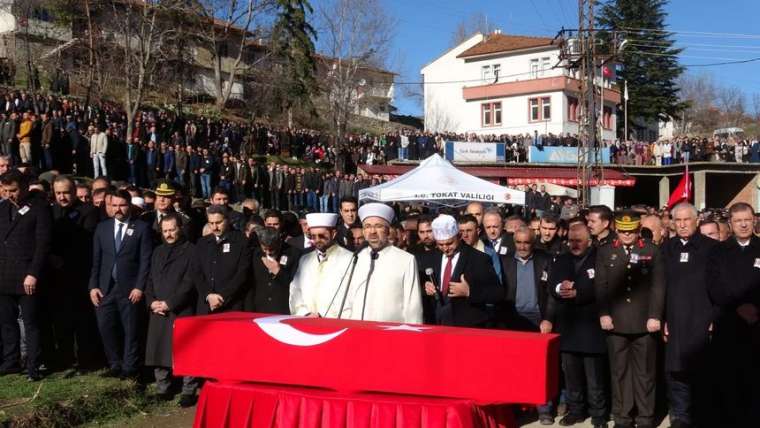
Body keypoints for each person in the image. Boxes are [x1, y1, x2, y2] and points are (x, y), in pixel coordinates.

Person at [595, 211, 665, 428]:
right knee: (619, 373)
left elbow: (658, 286)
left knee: (645, 374)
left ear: (638, 230)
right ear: (616, 229)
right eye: (623, 231)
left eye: (632, 231)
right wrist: (603, 313)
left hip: (645, 322)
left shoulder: (651, 250)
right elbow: (601, 286)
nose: (627, 235)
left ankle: (645, 418)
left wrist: (655, 315)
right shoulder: (606, 251)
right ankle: (623, 417)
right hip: (615, 323)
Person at [542, 224, 608, 428]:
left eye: (579, 240)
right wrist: (559, 287)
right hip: (568, 326)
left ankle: (599, 414)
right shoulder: (561, 259)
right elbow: (551, 284)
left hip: (591, 326)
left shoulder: (600, 258)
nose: (575, 244)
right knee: (571, 375)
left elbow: (605, 287)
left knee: (594, 376)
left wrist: (580, 292)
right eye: (572, 240)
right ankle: (576, 410)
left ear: (589, 240)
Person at [661, 203, 719, 428]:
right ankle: (681, 416)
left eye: (687, 220)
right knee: (676, 371)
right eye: (678, 220)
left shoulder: (713, 248)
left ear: (697, 221)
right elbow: (659, 287)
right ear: (673, 223)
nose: (683, 224)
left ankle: (703, 414)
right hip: (674, 318)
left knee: (702, 370)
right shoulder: (666, 248)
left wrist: (715, 317)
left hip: (703, 318)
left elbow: (719, 287)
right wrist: (662, 317)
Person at [89, 189, 153, 379]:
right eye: (114, 205)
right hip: (105, 288)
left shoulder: (141, 228)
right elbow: (96, 261)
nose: (118, 209)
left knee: (131, 330)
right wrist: (93, 286)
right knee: (106, 327)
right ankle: (114, 364)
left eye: (122, 205)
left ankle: (130, 367)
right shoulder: (102, 228)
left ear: (129, 206)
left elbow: (145, 260)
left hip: (130, 289)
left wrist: (140, 286)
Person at [707, 202, 760, 425]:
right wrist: (738, 306)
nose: (743, 224)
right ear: (730, 223)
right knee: (729, 380)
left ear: (754, 220)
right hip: (728, 323)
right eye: (738, 221)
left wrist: (755, 307)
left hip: (758, 323)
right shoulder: (717, 251)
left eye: (747, 219)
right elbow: (714, 285)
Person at [0, 171, 52, 380]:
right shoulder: (2, 208)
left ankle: (34, 364)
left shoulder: (39, 208)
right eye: (5, 190)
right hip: (3, 274)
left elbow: (43, 244)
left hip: (26, 275)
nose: (9, 194)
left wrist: (33, 273)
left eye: (13, 190)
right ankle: (11, 362)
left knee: (31, 322)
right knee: (6, 322)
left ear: (23, 187)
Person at [144, 213, 198, 408]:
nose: (168, 234)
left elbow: (189, 282)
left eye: (172, 230)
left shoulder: (191, 250)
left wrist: (170, 303)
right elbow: (149, 279)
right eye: (165, 231)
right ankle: (163, 388)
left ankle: (188, 390)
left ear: (180, 228)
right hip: (157, 308)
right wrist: (151, 302)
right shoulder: (157, 251)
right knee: (159, 349)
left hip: (180, 309)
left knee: (185, 350)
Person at [48, 175, 101, 371]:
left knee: (82, 320)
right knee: (61, 320)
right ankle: (65, 358)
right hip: (56, 276)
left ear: (74, 192)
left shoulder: (88, 212)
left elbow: (84, 244)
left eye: (66, 193)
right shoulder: (51, 210)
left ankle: (86, 360)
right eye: (58, 193)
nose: (62, 197)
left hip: (79, 274)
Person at [344, 203, 422, 323]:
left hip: (392, 334)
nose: (372, 231)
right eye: (368, 226)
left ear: (388, 230)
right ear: (364, 231)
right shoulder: (356, 258)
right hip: (358, 332)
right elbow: (347, 302)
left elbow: (413, 307)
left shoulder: (406, 259)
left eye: (378, 226)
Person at [419, 214, 502, 327]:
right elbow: (420, 283)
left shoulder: (478, 259)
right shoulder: (430, 257)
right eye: (440, 244)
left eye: (449, 243)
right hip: (436, 323)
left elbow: (497, 293)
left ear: (459, 236)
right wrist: (426, 286)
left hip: (467, 327)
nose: (445, 248)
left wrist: (469, 291)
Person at [190, 205, 251, 315]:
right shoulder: (202, 243)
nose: (215, 227)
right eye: (211, 223)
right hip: (206, 306)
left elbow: (242, 273)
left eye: (218, 222)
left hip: (231, 306)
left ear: (227, 220)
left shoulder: (241, 242)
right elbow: (196, 272)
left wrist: (222, 297)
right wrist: (208, 295)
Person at [289, 213, 354, 317]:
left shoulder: (349, 258)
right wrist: (305, 313)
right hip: (307, 322)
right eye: (313, 236)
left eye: (322, 236)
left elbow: (352, 297)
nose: (317, 240)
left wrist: (326, 316)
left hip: (337, 324)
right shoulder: (305, 259)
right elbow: (295, 291)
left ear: (333, 233)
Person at [247, 227, 301, 314]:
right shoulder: (255, 254)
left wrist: (278, 272)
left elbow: (296, 285)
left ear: (279, 242)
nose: (268, 252)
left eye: (271, 249)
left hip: (283, 310)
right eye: (265, 249)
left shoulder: (294, 253)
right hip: (260, 310)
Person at [140, 181, 192, 245]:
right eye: (159, 196)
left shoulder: (182, 219)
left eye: (166, 196)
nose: (162, 199)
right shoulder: (145, 217)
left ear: (173, 198)